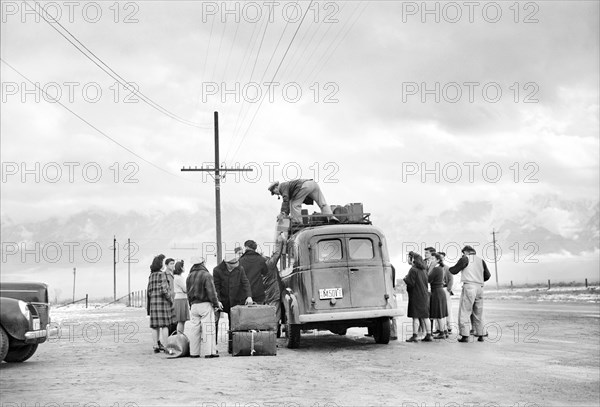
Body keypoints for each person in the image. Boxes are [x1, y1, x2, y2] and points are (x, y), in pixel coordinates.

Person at [449, 245, 491, 343]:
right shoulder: (481, 260)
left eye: (463, 253)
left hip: (469, 286)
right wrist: (479, 279)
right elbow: (487, 275)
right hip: (480, 287)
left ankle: (465, 335)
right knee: (478, 312)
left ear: (466, 252)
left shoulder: (465, 259)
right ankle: (481, 335)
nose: (462, 255)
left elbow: (454, 271)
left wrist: (450, 268)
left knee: (465, 311)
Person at [213, 252, 253, 353]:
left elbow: (245, 282)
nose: (235, 266)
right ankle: (213, 347)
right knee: (215, 322)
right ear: (227, 264)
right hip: (222, 301)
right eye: (232, 265)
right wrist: (217, 301)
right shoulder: (217, 270)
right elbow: (216, 287)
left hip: (235, 300)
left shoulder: (240, 268)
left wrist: (249, 296)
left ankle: (233, 347)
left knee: (234, 324)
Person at [186, 256, 220, 358]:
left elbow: (188, 293)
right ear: (203, 263)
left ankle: (194, 352)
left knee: (194, 329)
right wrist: (216, 304)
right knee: (208, 329)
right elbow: (211, 292)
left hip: (194, 305)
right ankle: (209, 352)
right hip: (205, 304)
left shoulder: (189, 276)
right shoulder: (206, 275)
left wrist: (190, 305)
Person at [268, 179, 339, 224]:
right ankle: (331, 218)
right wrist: (286, 213)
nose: (276, 194)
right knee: (322, 203)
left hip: (304, 186)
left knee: (294, 205)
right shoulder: (288, 186)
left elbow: (286, 199)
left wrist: (283, 213)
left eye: (274, 192)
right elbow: (288, 203)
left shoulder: (282, 187)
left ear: (276, 187)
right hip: (313, 184)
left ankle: (297, 223)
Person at [146, 254, 173, 353]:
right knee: (165, 325)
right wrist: (170, 299)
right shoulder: (162, 275)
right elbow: (164, 290)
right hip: (162, 303)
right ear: (160, 264)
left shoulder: (151, 275)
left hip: (153, 303)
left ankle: (155, 346)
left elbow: (149, 290)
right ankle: (166, 346)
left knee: (155, 326)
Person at [403, 251, 432, 342]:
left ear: (413, 259)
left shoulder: (413, 270)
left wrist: (405, 279)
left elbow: (411, 283)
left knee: (415, 316)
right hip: (424, 295)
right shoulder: (424, 269)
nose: (408, 259)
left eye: (409, 258)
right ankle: (429, 335)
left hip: (416, 295)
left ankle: (414, 335)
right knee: (425, 316)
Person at [262, 234, 285, 329]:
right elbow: (277, 254)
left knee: (267, 315)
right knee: (275, 315)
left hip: (265, 294)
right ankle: (273, 333)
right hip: (274, 293)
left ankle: (269, 331)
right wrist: (279, 240)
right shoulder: (269, 264)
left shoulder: (259, 268)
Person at [239, 240, 269, 304]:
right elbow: (265, 272)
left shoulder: (240, 261)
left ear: (246, 247)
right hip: (259, 294)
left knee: (244, 313)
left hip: (244, 295)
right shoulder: (261, 259)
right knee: (259, 313)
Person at [428, 253, 448, 339]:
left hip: (436, 291)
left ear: (438, 260)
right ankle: (443, 331)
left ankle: (442, 332)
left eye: (433, 259)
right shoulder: (441, 268)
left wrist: (430, 267)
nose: (431, 260)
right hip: (440, 291)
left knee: (439, 313)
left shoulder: (436, 269)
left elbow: (428, 279)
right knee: (441, 313)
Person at [439, 252, 454, 333]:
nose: (440, 259)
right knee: (439, 309)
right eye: (439, 257)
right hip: (438, 290)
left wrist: (448, 289)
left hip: (445, 289)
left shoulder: (447, 268)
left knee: (448, 309)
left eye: (442, 257)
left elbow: (451, 279)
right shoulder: (435, 267)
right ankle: (440, 328)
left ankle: (449, 327)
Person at [172, 260, 189, 334]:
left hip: (179, 298)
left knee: (181, 320)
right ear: (181, 268)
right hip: (181, 299)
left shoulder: (175, 277)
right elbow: (185, 289)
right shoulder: (179, 278)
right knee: (181, 320)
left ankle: (179, 335)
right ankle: (179, 335)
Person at [164, 258, 177, 335]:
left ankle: (174, 338)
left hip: (176, 299)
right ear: (166, 265)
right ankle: (169, 339)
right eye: (171, 263)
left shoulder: (174, 274)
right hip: (169, 300)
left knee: (176, 321)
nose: (173, 265)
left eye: (173, 263)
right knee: (170, 321)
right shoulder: (164, 274)